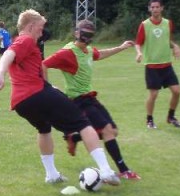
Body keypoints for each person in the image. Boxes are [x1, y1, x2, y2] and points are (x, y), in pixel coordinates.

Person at [0, 9, 120, 186]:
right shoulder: (26, 39)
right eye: (40, 27)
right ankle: (106, 171)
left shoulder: (22, 41)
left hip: (21, 103)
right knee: (84, 123)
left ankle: (51, 175)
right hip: (36, 94)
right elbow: (8, 54)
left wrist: (49, 86)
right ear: (31, 26)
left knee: (44, 129)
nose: (42, 31)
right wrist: (0, 73)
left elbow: (28, 69)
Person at [43, 19, 141, 180]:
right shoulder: (68, 52)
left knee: (113, 131)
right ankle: (124, 170)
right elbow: (44, 64)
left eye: (90, 35)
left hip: (90, 97)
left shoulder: (87, 50)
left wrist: (121, 47)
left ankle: (74, 137)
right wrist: (48, 87)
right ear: (76, 33)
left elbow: (99, 54)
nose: (86, 38)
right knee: (107, 130)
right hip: (79, 100)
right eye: (84, 34)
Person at [134, 0, 180, 129]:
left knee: (177, 91)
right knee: (154, 94)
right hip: (152, 65)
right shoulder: (144, 25)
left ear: (162, 8)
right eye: (153, 7)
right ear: (150, 9)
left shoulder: (168, 23)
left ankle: (171, 116)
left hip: (166, 64)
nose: (155, 9)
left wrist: (175, 46)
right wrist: (139, 53)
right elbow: (138, 43)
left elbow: (168, 40)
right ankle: (149, 119)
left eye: (157, 7)